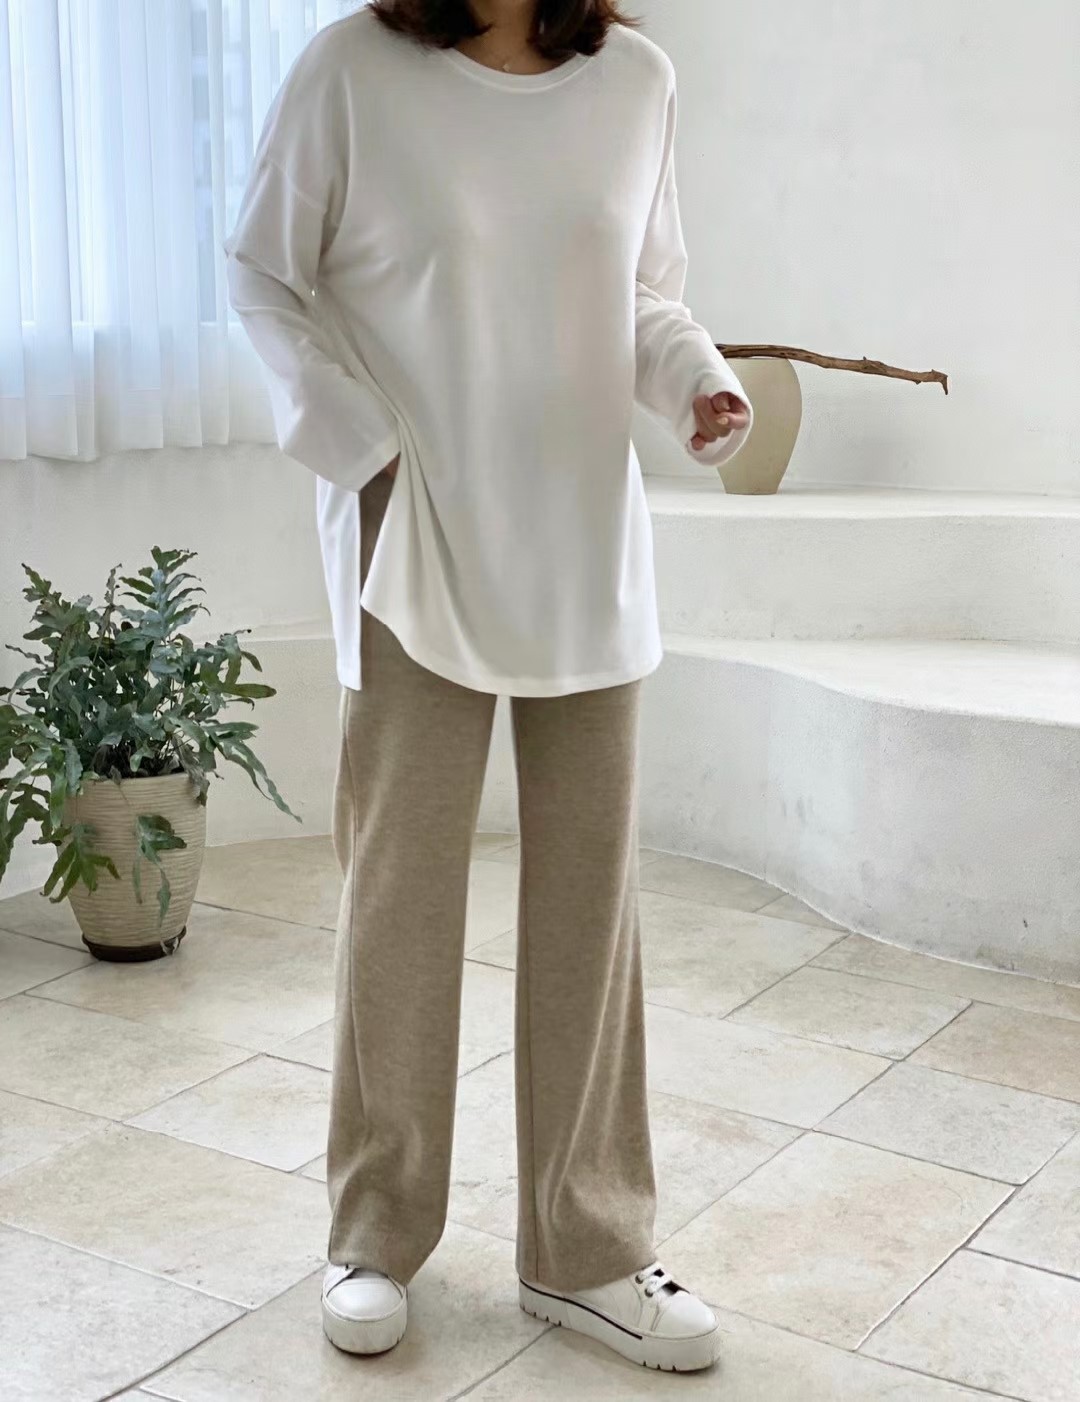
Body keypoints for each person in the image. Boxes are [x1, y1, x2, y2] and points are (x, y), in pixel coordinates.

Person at [223, 0, 751, 1374]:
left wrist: (694, 379)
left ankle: (587, 1246)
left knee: (592, 897)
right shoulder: (351, 71)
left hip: (581, 529)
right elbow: (262, 279)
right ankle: (373, 1233)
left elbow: (642, 295)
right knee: (401, 890)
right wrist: (364, 447)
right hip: (417, 532)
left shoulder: (635, 81)